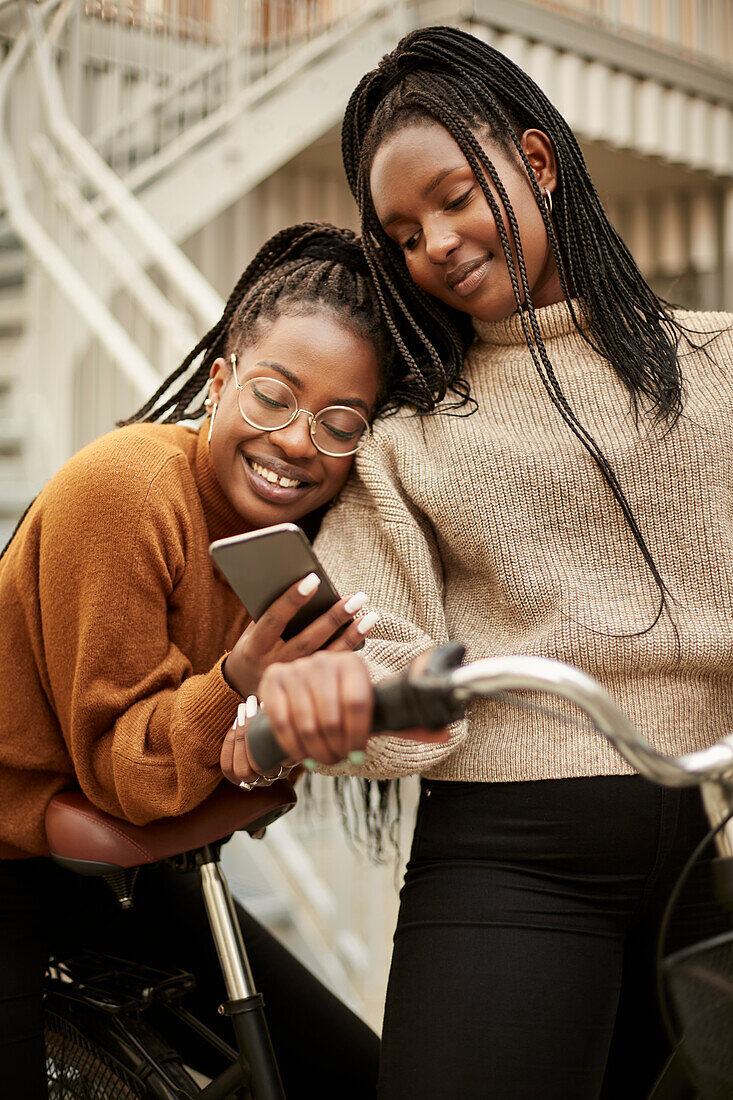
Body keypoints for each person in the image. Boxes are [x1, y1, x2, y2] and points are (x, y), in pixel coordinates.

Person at [226, 28, 733, 1100]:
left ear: (537, 164)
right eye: (405, 232)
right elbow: (378, 631)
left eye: (456, 197)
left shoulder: (721, 364)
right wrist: (337, 688)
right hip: (511, 853)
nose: (438, 243)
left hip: (718, 839)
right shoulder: (410, 432)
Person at [0, 222, 406, 1098]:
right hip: (13, 850)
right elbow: (125, 776)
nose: (298, 441)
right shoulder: (131, 488)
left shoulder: (297, 535)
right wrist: (240, 681)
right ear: (219, 383)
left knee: (350, 1076)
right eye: (273, 396)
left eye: (340, 423)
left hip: (123, 869)